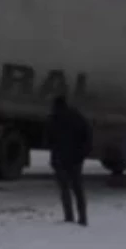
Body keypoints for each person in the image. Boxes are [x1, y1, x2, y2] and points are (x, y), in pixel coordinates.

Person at [46, 95, 92, 226]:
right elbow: (88, 137)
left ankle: (69, 216)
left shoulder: (53, 119)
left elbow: (48, 140)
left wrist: (54, 155)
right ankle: (83, 218)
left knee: (65, 189)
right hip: (75, 160)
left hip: (60, 159)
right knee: (78, 189)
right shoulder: (78, 117)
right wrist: (82, 155)